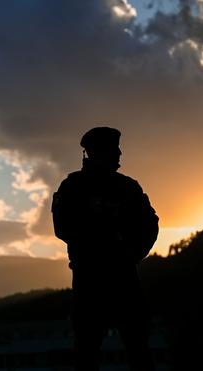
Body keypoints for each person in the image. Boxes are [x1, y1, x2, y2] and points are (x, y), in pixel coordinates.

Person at [51, 127, 158, 371]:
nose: (119, 153)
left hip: (124, 275)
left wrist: (133, 252)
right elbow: (63, 227)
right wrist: (102, 237)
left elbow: (150, 224)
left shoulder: (129, 187)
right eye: (113, 149)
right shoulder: (73, 187)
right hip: (90, 277)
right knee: (88, 349)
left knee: (138, 346)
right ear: (95, 153)